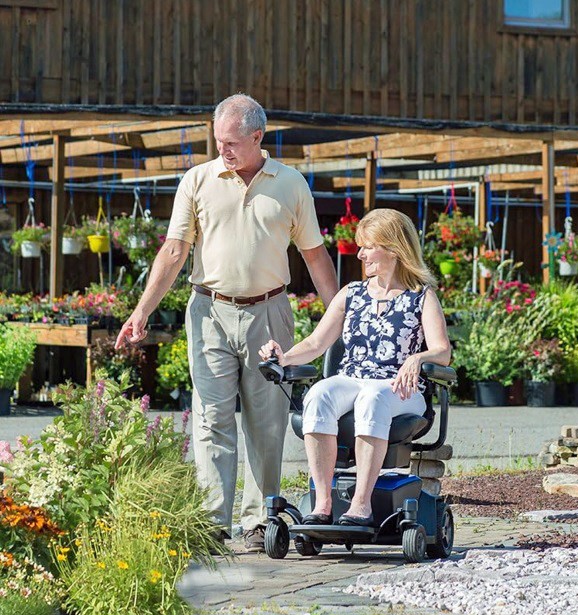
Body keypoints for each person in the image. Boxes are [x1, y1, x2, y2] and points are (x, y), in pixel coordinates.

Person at [115, 93, 338, 551]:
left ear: (258, 137)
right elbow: (174, 250)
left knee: (267, 420)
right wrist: (142, 310)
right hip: (209, 312)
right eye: (218, 141)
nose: (224, 150)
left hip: (270, 313)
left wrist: (339, 320)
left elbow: (315, 256)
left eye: (233, 142)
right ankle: (214, 522)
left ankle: (260, 522)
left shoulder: (291, 184)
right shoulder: (197, 180)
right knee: (211, 417)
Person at [259, 208, 451, 527]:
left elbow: (443, 352)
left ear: (393, 247)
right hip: (354, 380)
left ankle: (361, 504)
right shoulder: (352, 294)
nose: (360, 254)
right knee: (319, 394)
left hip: (401, 390)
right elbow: (315, 344)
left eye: (368, 246)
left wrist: (417, 359)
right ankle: (323, 504)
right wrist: (282, 356)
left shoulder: (421, 296)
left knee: (373, 397)